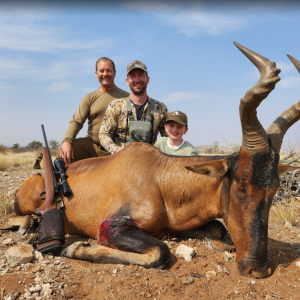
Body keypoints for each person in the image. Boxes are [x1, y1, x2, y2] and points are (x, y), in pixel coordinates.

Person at [57, 57, 129, 164]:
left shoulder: (126, 97)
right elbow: (76, 121)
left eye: (108, 70)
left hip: (117, 149)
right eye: (101, 71)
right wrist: (67, 141)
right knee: (62, 152)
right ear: (96, 73)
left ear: (114, 73)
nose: (105, 74)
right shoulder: (89, 98)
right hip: (92, 146)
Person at [99, 60, 168, 154]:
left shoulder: (160, 108)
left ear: (147, 79)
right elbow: (104, 134)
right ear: (127, 81)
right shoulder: (116, 106)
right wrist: (116, 150)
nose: (137, 80)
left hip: (150, 162)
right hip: (121, 161)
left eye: (141, 75)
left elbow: (169, 138)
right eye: (132, 76)